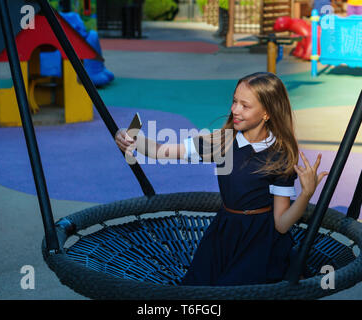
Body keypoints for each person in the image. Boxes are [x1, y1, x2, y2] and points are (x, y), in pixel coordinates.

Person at [115, 72, 329, 286]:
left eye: (245, 106)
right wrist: (131, 138)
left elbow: (281, 224)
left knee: (235, 289)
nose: (235, 110)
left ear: (267, 113)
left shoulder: (279, 156)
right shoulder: (223, 141)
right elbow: (161, 150)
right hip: (224, 231)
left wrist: (306, 194)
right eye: (235, 101)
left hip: (260, 241)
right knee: (196, 288)